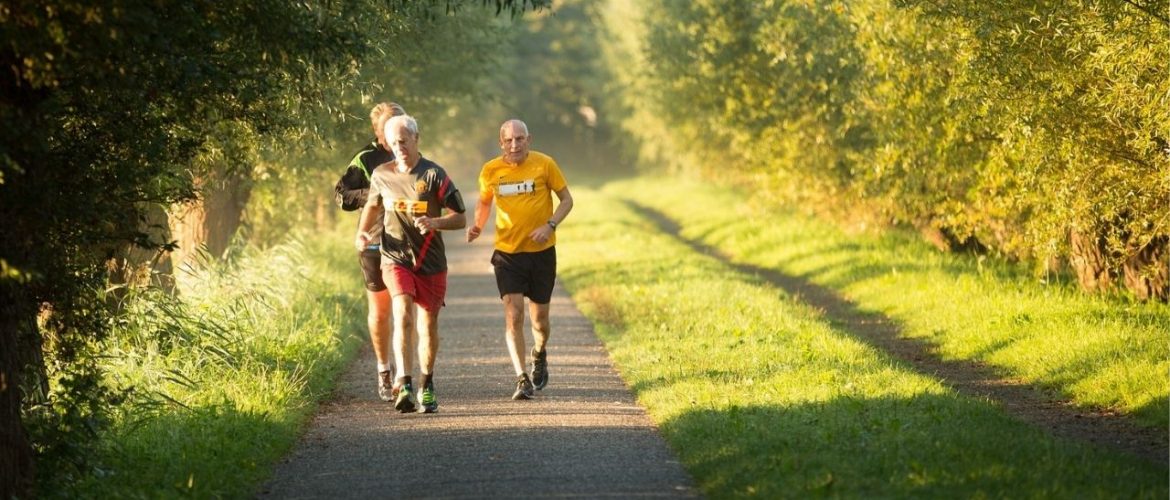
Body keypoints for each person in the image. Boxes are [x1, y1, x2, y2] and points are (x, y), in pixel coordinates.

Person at [356, 114, 466, 413]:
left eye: (404, 141)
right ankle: (404, 383)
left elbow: (460, 218)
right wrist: (362, 234)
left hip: (430, 261)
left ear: (417, 139)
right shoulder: (381, 174)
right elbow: (373, 205)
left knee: (427, 325)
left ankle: (426, 384)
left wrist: (435, 222)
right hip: (395, 257)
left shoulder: (434, 175)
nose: (399, 147)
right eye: (394, 143)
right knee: (402, 310)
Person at [467, 119, 574, 400]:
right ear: (501, 143)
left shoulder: (544, 164)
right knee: (514, 316)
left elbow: (567, 201)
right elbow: (485, 202)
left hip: (541, 254)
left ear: (529, 139)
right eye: (509, 140)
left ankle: (539, 353)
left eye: (520, 139)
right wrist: (477, 226)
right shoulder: (490, 170)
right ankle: (521, 377)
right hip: (507, 254)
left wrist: (550, 225)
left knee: (540, 322)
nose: (515, 145)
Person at [335, 102, 406, 402]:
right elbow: (343, 197)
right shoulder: (365, 159)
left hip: (406, 242)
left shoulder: (409, 152)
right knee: (381, 312)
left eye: (399, 124)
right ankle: (383, 369)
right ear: (377, 130)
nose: (394, 131)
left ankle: (405, 375)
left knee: (404, 309)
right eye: (388, 126)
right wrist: (375, 195)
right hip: (375, 242)